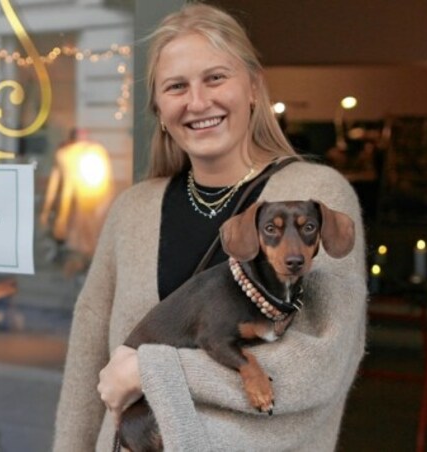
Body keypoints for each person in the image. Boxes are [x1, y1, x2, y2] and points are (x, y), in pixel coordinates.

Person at [52, 3, 366, 451]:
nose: (198, 102)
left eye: (215, 78)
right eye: (176, 86)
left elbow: (321, 365)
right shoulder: (132, 211)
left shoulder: (315, 196)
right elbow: (88, 364)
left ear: (254, 87)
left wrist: (150, 371)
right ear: (159, 109)